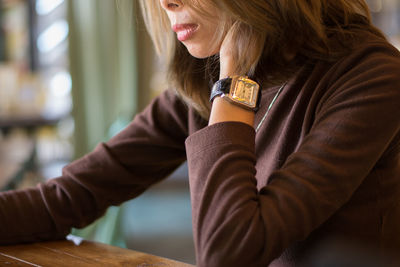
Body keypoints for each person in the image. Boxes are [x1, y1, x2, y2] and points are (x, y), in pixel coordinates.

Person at [1, 0, 400, 266]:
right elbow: (67, 198)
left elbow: (229, 252)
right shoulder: (198, 83)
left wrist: (233, 88)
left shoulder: (372, 76)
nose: (166, 3)